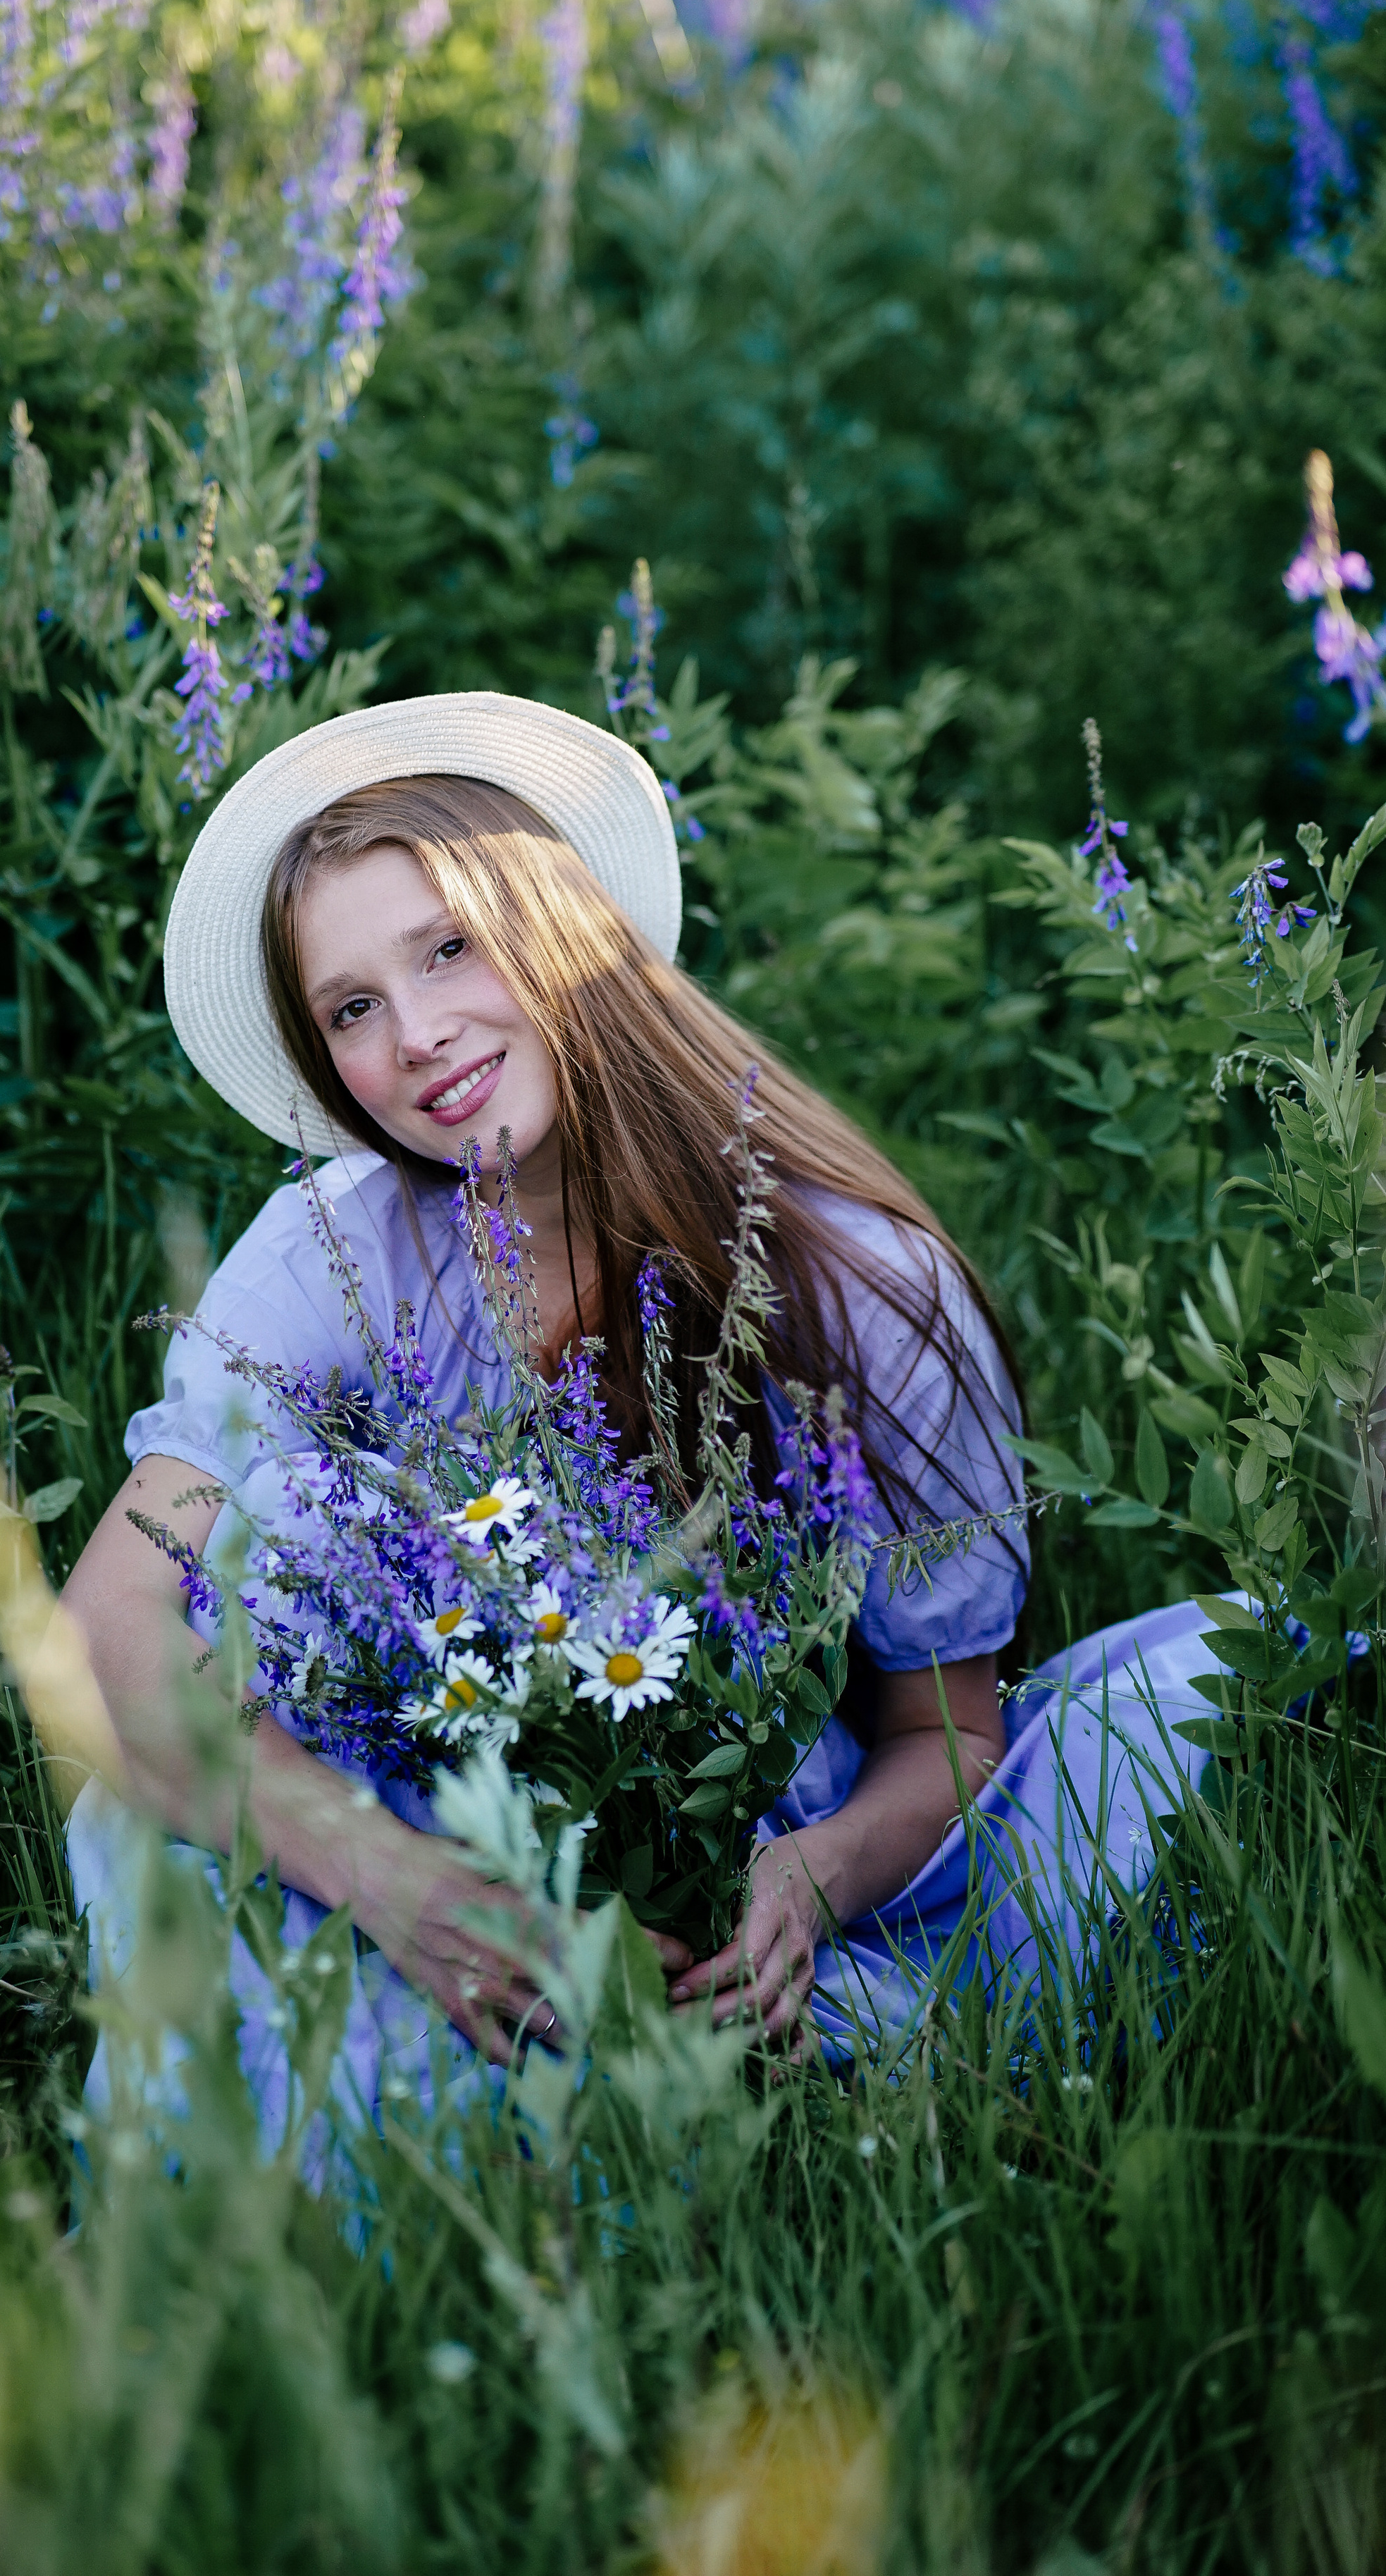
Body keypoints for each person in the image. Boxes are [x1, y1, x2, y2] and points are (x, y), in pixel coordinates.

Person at [63, 692, 1214, 2121]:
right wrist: (392, 1879)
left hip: (760, 1839)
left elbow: (946, 1735)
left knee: (1179, 1748)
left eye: (450, 948)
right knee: (189, 1735)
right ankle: (428, 2099)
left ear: (563, 927)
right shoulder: (331, 1256)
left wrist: (813, 1875)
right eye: (352, 1008)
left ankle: (710, 2062)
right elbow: (110, 1617)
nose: (417, 1033)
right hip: (455, 1839)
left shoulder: (858, 1285)